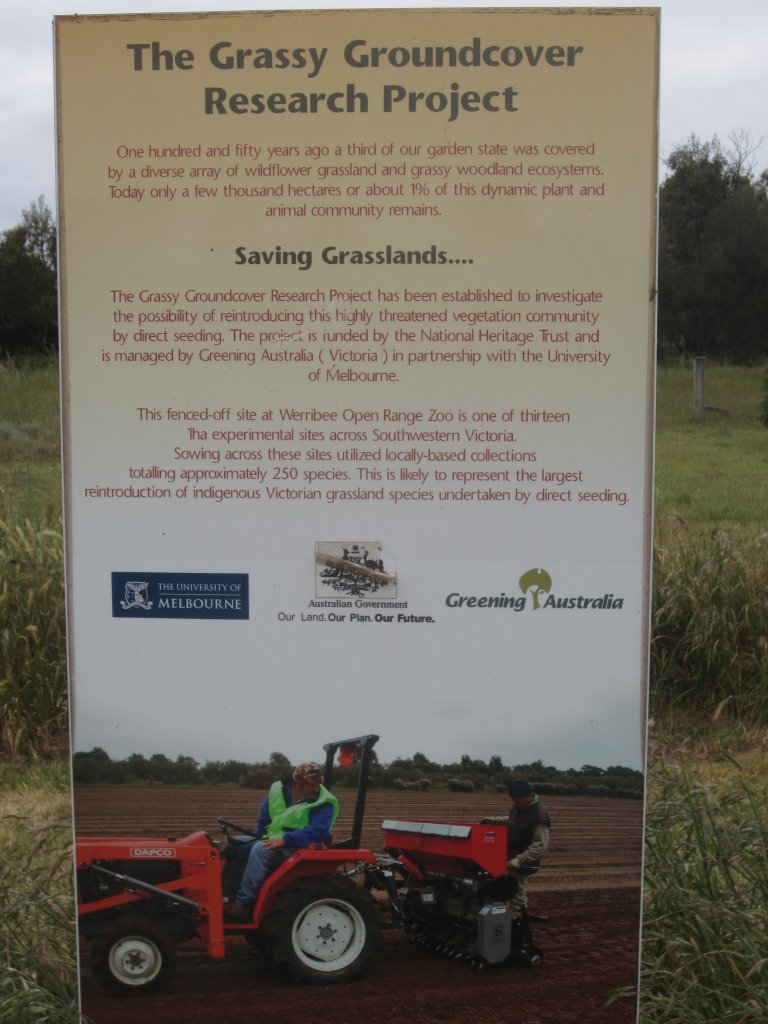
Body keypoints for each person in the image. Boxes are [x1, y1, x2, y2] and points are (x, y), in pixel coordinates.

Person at [225, 761, 339, 919]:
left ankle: (243, 903)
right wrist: (258, 836)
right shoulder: (277, 790)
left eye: (318, 784)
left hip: (302, 847)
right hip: (275, 840)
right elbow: (264, 818)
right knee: (237, 844)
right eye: (310, 785)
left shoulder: (323, 802)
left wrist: (286, 839)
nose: (315, 789)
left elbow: (317, 832)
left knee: (260, 850)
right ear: (297, 782)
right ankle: (227, 896)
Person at [484, 778, 551, 912]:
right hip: (512, 857)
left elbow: (540, 845)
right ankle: (510, 918)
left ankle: (519, 924)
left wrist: (519, 860)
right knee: (508, 891)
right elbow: (512, 820)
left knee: (517, 895)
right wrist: (493, 820)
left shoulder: (539, 815)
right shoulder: (519, 807)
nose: (513, 801)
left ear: (525, 796)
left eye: (515, 798)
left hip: (523, 862)